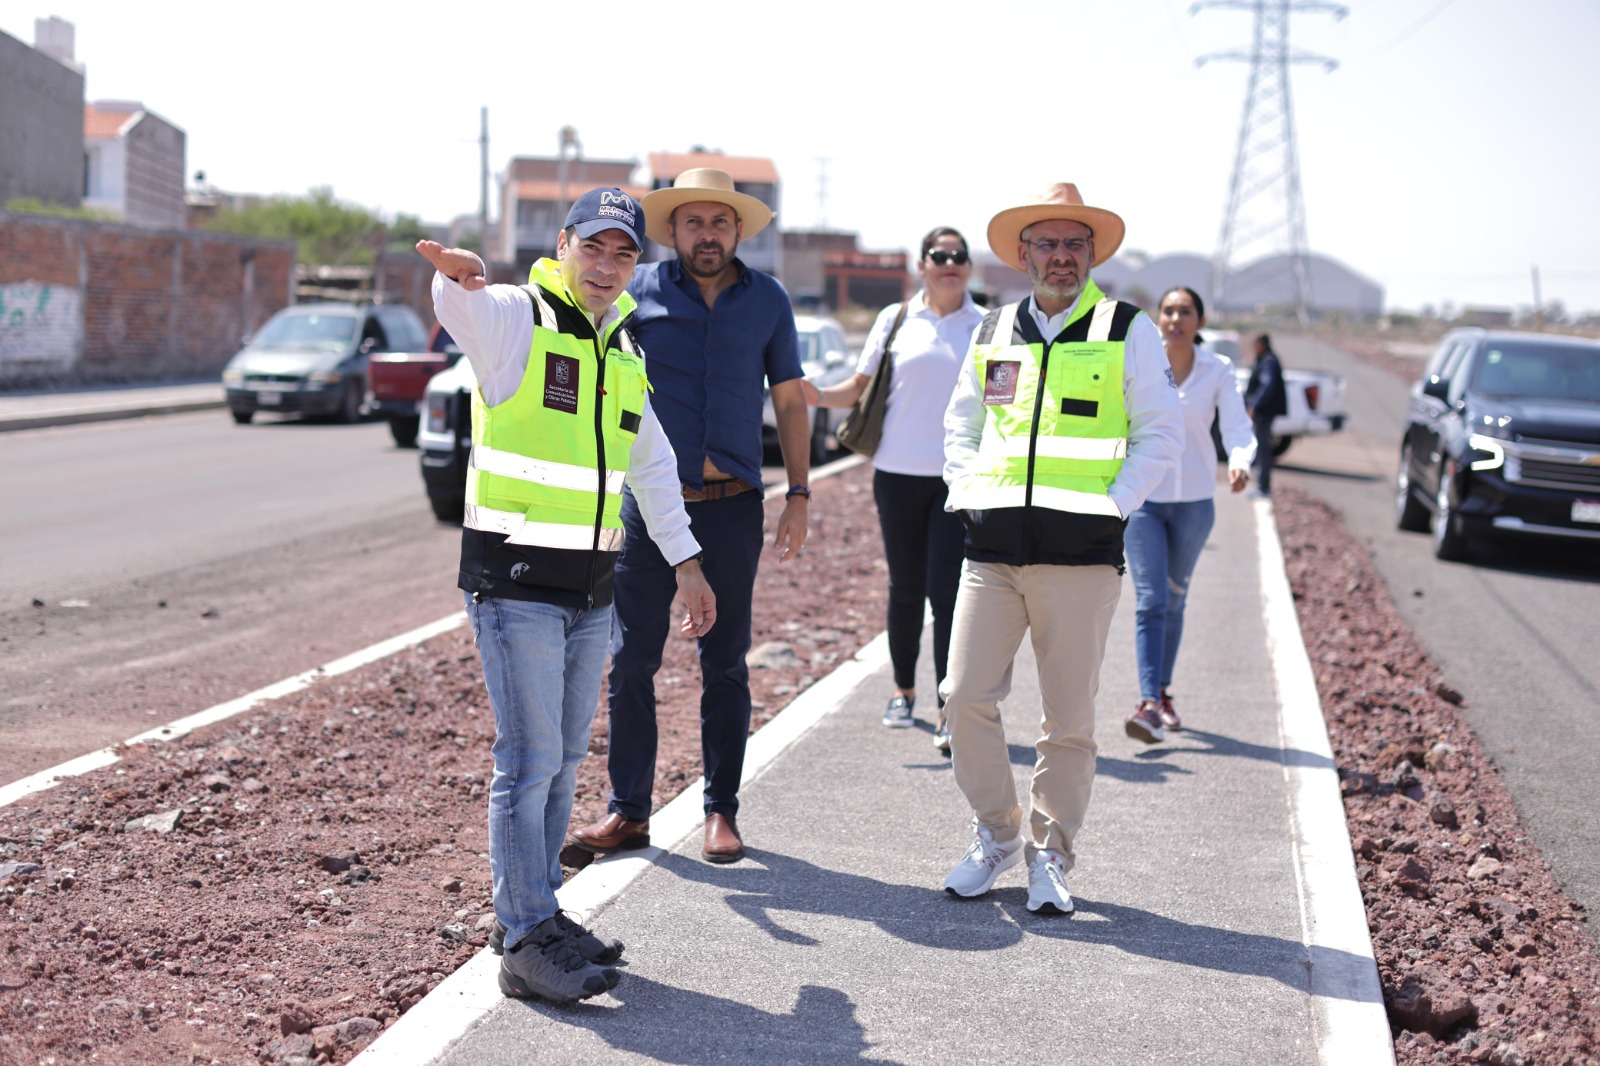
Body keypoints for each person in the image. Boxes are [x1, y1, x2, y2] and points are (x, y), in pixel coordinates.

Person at [415, 186, 716, 1005]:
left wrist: (687, 563)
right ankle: (521, 938)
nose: (609, 266)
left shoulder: (624, 349)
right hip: (514, 582)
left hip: (591, 588)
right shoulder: (518, 316)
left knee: (564, 762)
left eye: (625, 254)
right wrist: (461, 278)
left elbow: (649, 465)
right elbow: (462, 307)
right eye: (596, 248)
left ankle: (536, 912)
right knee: (528, 760)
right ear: (564, 244)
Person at [939, 183, 1183, 915]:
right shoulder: (992, 330)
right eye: (1047, 244)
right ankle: (997, 833)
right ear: (1023, 255)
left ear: (1092, 253)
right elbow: (963, 425)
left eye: (1075, 244)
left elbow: (1160, 434)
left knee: (1067, 720)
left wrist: (1114, 505)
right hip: (992, 553)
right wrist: (966, 489)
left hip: (1080, 559)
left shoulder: (1127, 329)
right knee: (962, 699)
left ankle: (1051, 853)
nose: (1062, 256)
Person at [567, 168, 809, 866]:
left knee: (725, 663)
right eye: (695, 222)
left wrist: (799, 493)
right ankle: (628, 811)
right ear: (672, 231)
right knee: (630, 659)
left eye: (722, 222)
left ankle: (721, 811)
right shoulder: (634, 293)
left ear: (738, 230)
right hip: (645, 509)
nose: (709, 234)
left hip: (732, 508)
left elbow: (790, 400)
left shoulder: (768, 301)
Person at [801, 226, 983, 753]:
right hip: (896, 474)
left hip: (958, 480)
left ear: (968, 267)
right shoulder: (896, 319)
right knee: (905, 588)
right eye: (939, 255)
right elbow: (858, 387)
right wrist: (810, 392)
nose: (950, 262)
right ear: (921, 265)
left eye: (959, 256)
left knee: (949, 595)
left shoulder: (986, 325)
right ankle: (903, 693)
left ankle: (951, 708)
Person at [1122, 287, 1256, 745]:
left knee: (1175, 601)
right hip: (1144, 500)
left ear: (1199, 321)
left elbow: (1236, 423)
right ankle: (1148, 704)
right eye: (1168, 310)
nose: (1175, 318)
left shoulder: (1217, 369)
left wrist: (1240, 458)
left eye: (1185, 311)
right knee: (1150, 600)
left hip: (1197, 503)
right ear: (1157, 318)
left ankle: (1162, 691)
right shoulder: (1138, 362)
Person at [1244, 332, 1288, 496]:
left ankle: (1263, 488)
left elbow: (1267, 384)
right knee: (1261, 448)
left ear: (1261, 344)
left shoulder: (1268, 361)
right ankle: (1262, 486)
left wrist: (1255, 405)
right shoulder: (1266, 359)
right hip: (1264, 412)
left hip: (1264, 412)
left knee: (1263, 449)